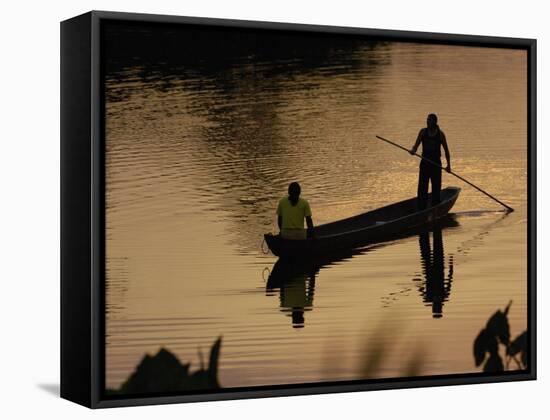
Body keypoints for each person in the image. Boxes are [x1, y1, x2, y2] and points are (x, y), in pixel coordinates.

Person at [409, 113, 451, 210]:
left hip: (436, 164)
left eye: (430, 120)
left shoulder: (440, 134)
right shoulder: (423, 132)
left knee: (436, 187)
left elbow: (446, 151)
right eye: (427, 120)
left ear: (434, 122)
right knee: (422, 187)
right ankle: (421, 207)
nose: (427, 122)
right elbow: (415, 147)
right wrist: (413, 151)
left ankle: (435, 206)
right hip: (425, 163)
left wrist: (448, 166)